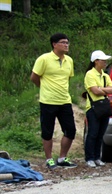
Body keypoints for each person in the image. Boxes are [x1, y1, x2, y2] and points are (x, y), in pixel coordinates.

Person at [30, 33, 77, 169]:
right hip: (48, 101)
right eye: (63, 42)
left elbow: (67, 79)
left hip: (64, 101)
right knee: (47, 131)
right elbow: (34, 77)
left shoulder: (69, 60)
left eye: (67, 42)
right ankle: (49, 159)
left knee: (70, 130)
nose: (66, 45)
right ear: (54, 44)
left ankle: (62, 158)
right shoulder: (44, 59)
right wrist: (44, 88)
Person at [84, 50, 112, 167]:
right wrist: (104, 89)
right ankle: (89, 158)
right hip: (93, 107)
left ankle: (97, 157)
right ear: (96, 61)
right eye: (103, 60)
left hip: (103, 106)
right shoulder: (90, 74)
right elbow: (95, 91)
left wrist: (100, 89)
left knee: (101, 133)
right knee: (92, 133)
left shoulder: (105, 75)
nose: (105, 62)